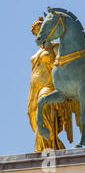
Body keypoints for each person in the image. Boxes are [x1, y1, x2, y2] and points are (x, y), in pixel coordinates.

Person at [28, 16, 79, 151]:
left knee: (44, 108)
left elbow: (60, 67)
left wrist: (50, 50)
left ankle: (48, 145)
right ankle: (47, 145)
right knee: (35, 115)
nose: (39, 34)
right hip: (35, 90)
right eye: (37, 32)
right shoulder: (38, 53)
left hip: (49, 88)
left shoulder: (55, 47)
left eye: (41, 30)